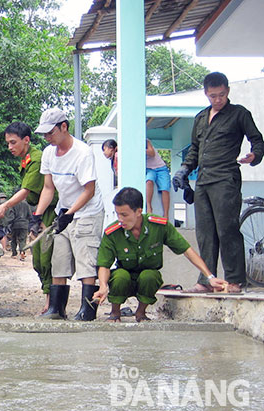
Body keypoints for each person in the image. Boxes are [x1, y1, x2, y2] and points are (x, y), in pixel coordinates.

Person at [172, 72, 264, 293]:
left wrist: (254, 155)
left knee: (227, 229)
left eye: (222, 95)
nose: (218, 100)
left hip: (226, 178)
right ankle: (206, 279)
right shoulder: (201, 118)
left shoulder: (239, 114)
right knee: (205, 232)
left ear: (228, 91)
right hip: (202, 181)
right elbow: (194, 149)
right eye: (213, 96)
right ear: (206, 93)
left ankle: (234, 280)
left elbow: (257, 140)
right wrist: (184, 170)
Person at [93, 187, 228, 322]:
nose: (120, 219)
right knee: (120, 276)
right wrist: (103, 286)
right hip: (124, 278)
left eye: (124, 215)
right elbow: (104, 264)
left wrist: (210, 277)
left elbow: (187, 250)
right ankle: (115, 313)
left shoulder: (158, 226)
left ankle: (141, 313)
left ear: (139, 211)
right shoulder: (113, 232)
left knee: (150, 276)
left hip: (147, 279)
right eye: (118, 214)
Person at [33, 108, 105, 321]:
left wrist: (70, 213)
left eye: (50, 133)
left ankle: (87, 310)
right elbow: (48, 188)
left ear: (64, 127)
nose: (47, 138)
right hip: (64, 213)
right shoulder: (48, 154)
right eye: (44, 134)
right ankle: (56, 308)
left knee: (86, 260)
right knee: (59, 259)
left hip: (87, 213)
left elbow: (89, 190)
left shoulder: (82, 153)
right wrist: (37, 215)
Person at [0, 122, 58, 314]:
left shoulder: (36, 160)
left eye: (13, 142)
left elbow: (26, 190)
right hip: (37, 211)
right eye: (8, 143)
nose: (10, 147)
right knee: (38, 259)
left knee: (45, 259)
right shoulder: (28, 159)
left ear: (26, 140)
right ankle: (50, 302)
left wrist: (4, 205)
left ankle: (53, 305)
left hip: (48, 212)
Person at [145, 139, 171, 218]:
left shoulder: (146, 141)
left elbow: (152, 153)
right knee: (149, 181)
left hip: (161, 168)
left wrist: (139, 148)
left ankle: (166, 214)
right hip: (149, 169)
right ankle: (149, 207)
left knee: (165, 188)